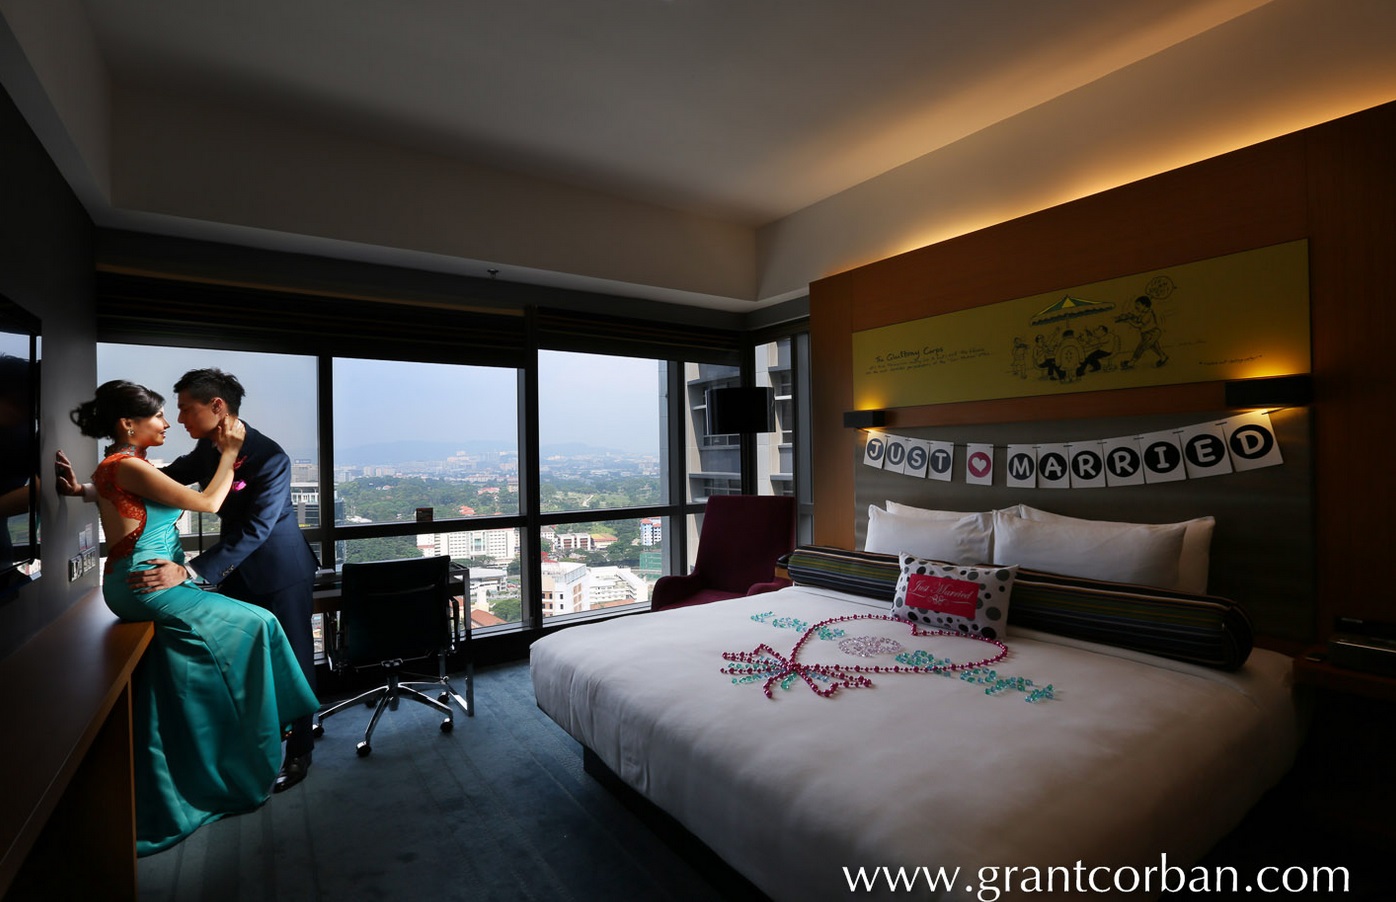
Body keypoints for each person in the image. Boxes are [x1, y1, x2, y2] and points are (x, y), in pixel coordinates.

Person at [61, 380, 319, 856]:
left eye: (184, 409)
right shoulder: (204, 450)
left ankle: (300, 748)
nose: (177, 419)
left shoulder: (271, 457)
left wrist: (192, 569)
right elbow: (152, 481)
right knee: (239, 650)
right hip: (226, 570)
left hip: (277, 568)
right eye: (170, 411)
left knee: (295, 652)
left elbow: (258, 527)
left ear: (216, 407)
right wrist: (87, 489)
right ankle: (239, 745)